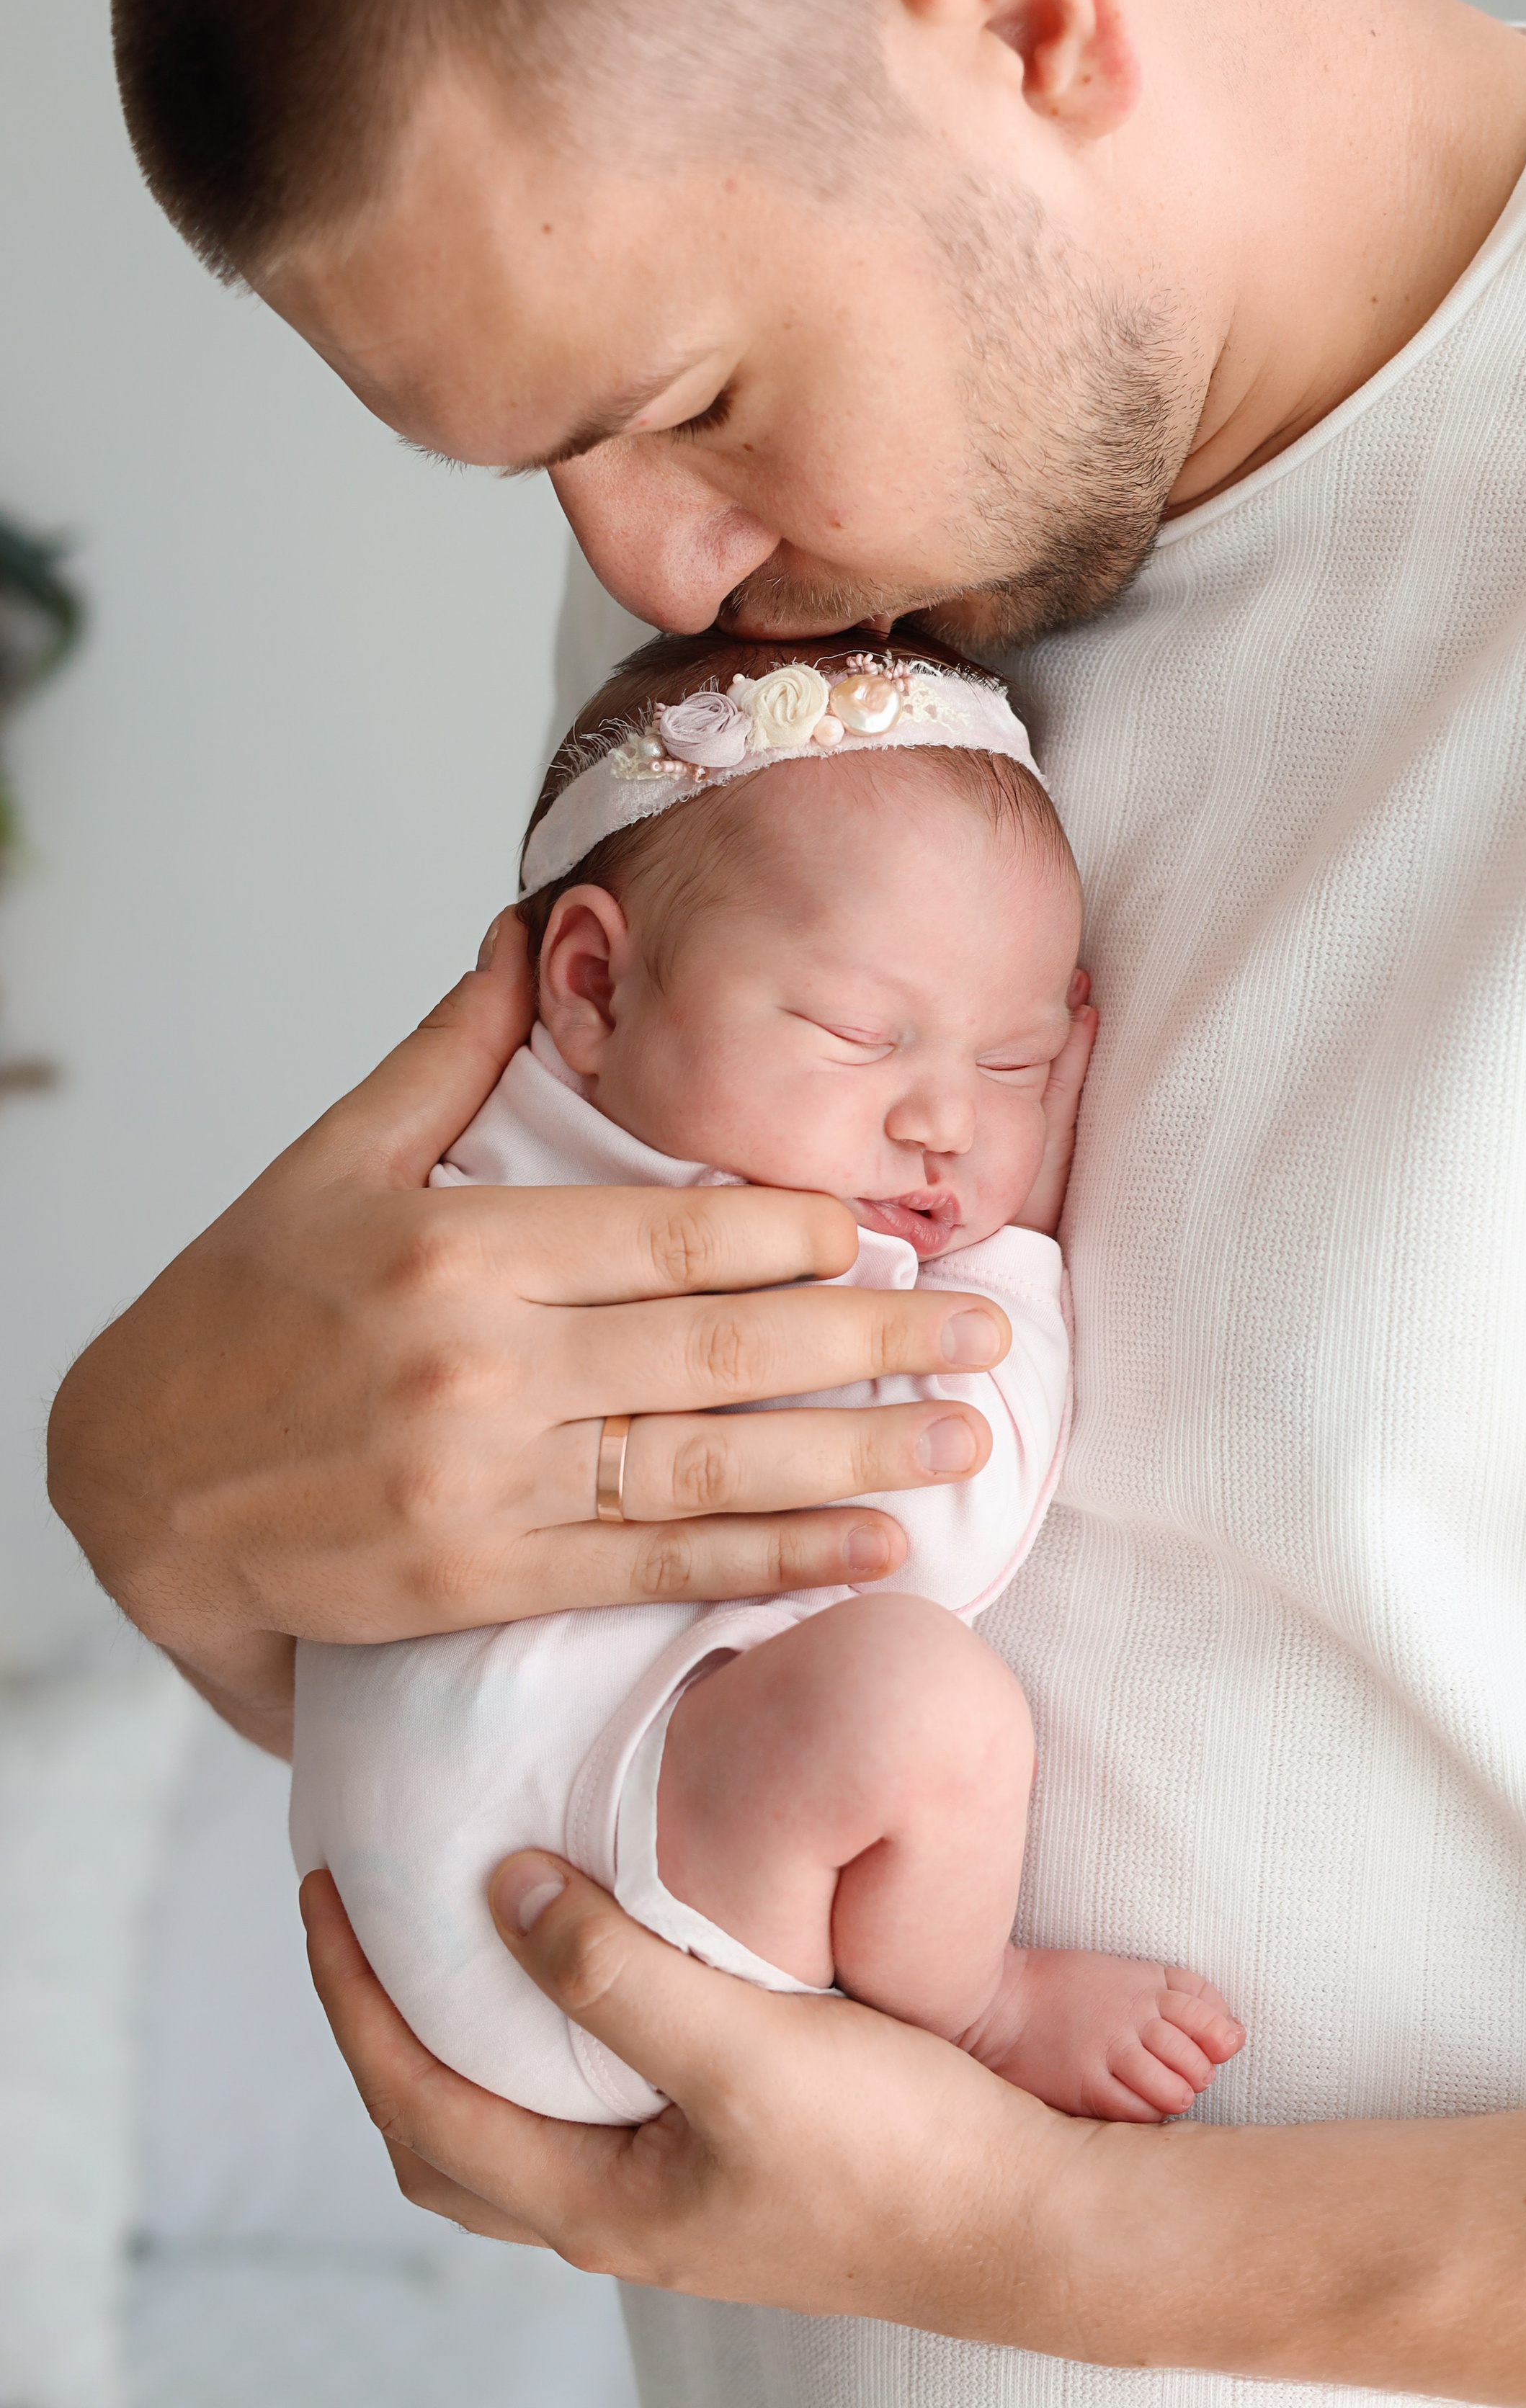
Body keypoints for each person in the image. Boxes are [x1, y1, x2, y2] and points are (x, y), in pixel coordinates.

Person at [52, 0, 1526, 2396]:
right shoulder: (792, 600)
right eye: (554, 461)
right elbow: (632, 1657)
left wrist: (1037, 2242)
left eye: (682, 405)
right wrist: (176, 1510)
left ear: (1021, 18)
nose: (644, 569)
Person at [292, 624, 1240, 2126]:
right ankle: (976, 2005)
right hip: (586, 1900)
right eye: (859, 1036)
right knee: (919, 1699)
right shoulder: (743, 1245)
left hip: (449, 1869)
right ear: (591, 985)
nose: (942, 1123)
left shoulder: (469, 1187)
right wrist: (1015, 1250)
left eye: (1012, 1067)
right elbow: (935, 1526)